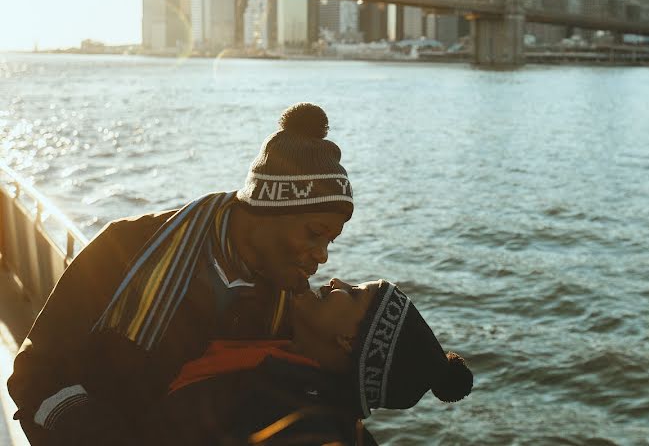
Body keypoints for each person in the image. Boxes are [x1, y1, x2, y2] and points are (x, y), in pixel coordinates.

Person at [8, 103, 355, 446]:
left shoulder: (289, 308)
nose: (322, 254)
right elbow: (35, 375)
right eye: (314, 232)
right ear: (269, 209)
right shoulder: (127, 248)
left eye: (329, 241)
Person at [148, 278, 473, 445]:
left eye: (356, 292)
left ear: (350, 341)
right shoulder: (274, 342)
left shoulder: (299, 428)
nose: (337, 283)